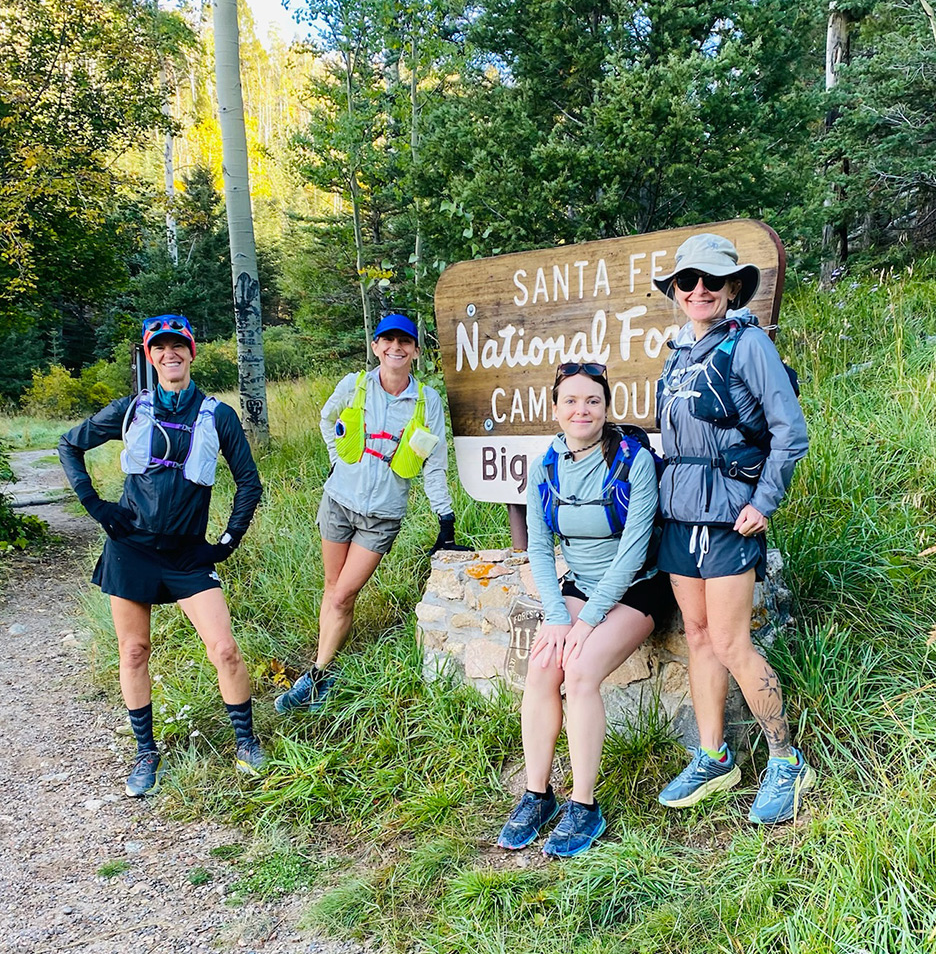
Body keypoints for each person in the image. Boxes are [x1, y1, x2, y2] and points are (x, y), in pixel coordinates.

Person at [59, 314, 265, 797]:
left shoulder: (219, 415)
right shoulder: (131, 409)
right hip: (131, 549)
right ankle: (145, 753)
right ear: (150, 358)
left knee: (225, 649)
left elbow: (249, 483)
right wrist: (96, 506)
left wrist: (228, 540)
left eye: (179, 347)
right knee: (133, 651)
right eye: (160, 348)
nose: (170, 355)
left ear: (192, 354)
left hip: (188, 555)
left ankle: (246, 742)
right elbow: (69, 444)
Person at [653, 232, 813, 824]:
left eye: (712, 281)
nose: (699, 290)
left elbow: (789, 431)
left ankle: (785, 758)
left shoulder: (749, 346)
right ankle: (714, 756)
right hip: (680, 516)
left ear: (732, 288)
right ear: (675, 289)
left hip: (728, 516)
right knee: (697, 636)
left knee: (729, 641)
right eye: (688, 280)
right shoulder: (677, 353)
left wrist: (765, 501)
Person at [496, 361, 665, 857]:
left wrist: (586, 624)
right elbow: (540, 548)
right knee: (543, 666)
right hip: (579, 585)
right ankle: (537, 794)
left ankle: (584, 805)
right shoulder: (545, 466)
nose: (581, 409)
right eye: (570, 400)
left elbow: (635, 549)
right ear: (555, 409)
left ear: (607, 407)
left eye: (592, 400)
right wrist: (556, 617)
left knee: (582, 669)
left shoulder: (632, 461)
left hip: (638, 587)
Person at [275, 313, 467, 714]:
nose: (396, 348)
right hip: (338, 502)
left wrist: (444, 518)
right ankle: (320, 676)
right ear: (377, 346)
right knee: (332, 589)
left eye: (405, 342)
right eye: (388, 341)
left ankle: (315, 676)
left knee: (344, 594)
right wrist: (336, 460)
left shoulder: (425, 401)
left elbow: (434, 462)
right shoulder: (355, 385)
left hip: (382, 515)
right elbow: (327, 419)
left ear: (415, 350)